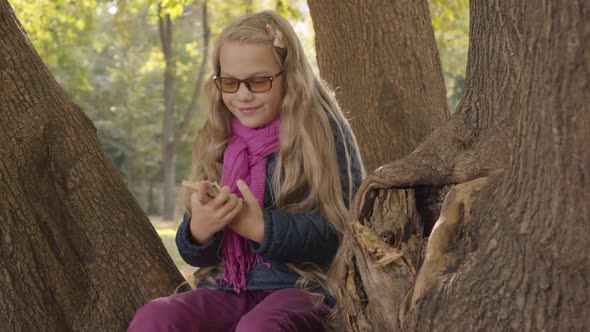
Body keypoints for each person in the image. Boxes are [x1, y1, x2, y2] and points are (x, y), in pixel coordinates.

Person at [128, 9, 364, 332]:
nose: (242, 95)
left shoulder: (321, 132)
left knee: (258, 328)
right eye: (230, 82)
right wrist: (200, 229)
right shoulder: (218, 136)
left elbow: (344, 230)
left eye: (258, 81)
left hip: (303, 287)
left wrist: (261, 228)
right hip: (227, 286)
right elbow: (193, 249)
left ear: (288, 75)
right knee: (154, 318)